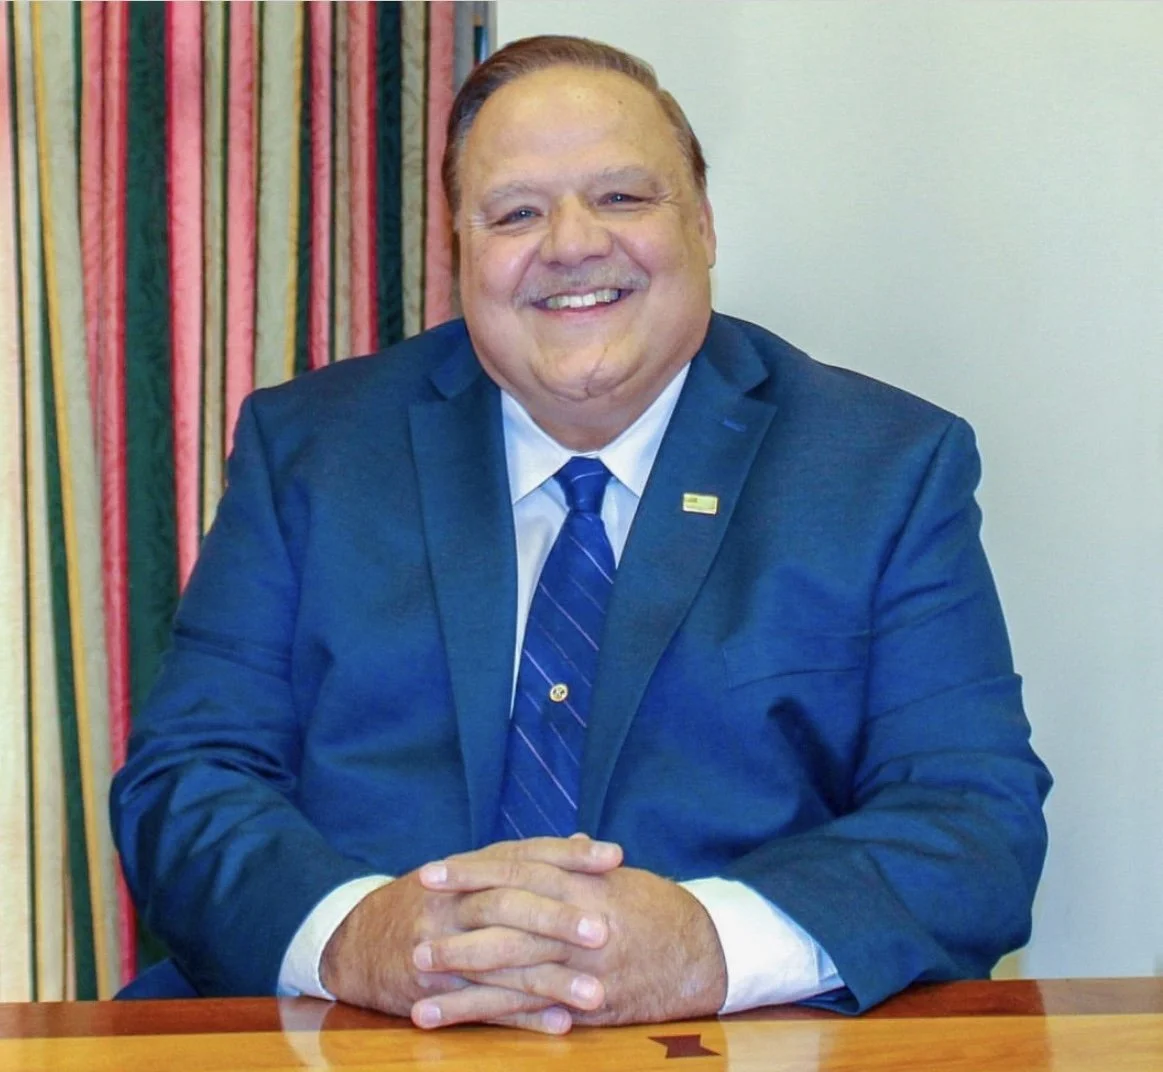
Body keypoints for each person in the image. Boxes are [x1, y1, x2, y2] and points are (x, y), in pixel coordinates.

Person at [110, 35, 1051, 1034]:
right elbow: (185, 782)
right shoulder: (310, 450)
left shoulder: (880, 467)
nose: (569, 244)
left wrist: (708, 945)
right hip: (349, 1036)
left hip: (729, 1042)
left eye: (620, 197)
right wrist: (358, 937)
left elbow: (970, 818)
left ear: (702, 224)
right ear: (457, 251)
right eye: (516, 213)